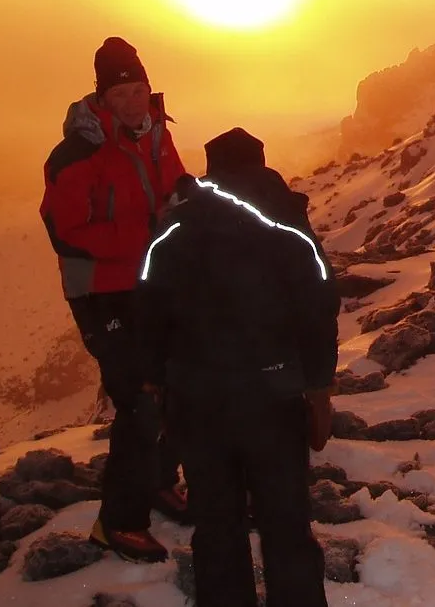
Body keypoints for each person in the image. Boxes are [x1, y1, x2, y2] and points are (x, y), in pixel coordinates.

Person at [137, 127, 340, 607]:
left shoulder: (173, 231)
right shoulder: (289, 230)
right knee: (285, 520)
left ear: (211, 172)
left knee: (216, 521)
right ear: (262, 166)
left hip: (196, 398)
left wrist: (157, 383)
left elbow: (147, 312)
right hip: (274, 395)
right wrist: (318, 388)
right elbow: (319, 311)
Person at [39, 36, 190, 563]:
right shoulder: (77, 153)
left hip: (149, 281)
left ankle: (157, 481)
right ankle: (118, 522)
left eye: (138, 90)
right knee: (139, 399)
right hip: (101, 293)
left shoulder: (156, 133)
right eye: (120, 93)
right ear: (101, 97)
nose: (132, 102)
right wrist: (148, 230)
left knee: (175, 381)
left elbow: (173, 188)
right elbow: (66, 232)